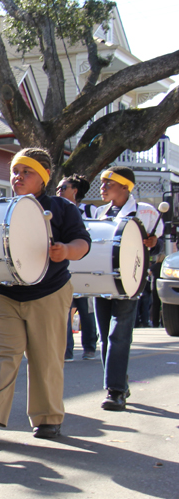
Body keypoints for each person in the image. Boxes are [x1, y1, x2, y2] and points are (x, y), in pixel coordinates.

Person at [0, 148, 90, 441]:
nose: (17, 177)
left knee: (46, 357)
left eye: (26, 172)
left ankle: (48, 418)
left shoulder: (63, 209)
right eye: (15, 171)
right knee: (0, 352)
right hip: (0, 293)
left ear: (43, 177)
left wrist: (66, 250)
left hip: (48, 292)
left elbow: (82, 243)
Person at [92, 166, 163, 412]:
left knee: (118, 335)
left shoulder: (147, 212)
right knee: (104, 336)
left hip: (129, 280)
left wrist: (153, 243)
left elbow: (156, 246)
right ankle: (119, 382)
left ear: (125, 187)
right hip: (102, 280)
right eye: (102, 182)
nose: (102, 187)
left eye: (108, 183)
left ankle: (116, 391)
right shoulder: (99, 212)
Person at [55, 175, 97, 361]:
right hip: (66, 268)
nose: (59, 191)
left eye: (63, 187)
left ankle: (89, 347)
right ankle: (67, 351)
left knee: (86, 311)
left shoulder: (91, 211)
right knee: (64, 311)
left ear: (75, 190)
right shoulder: (56, 210)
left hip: (86, 268)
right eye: (57, 188)